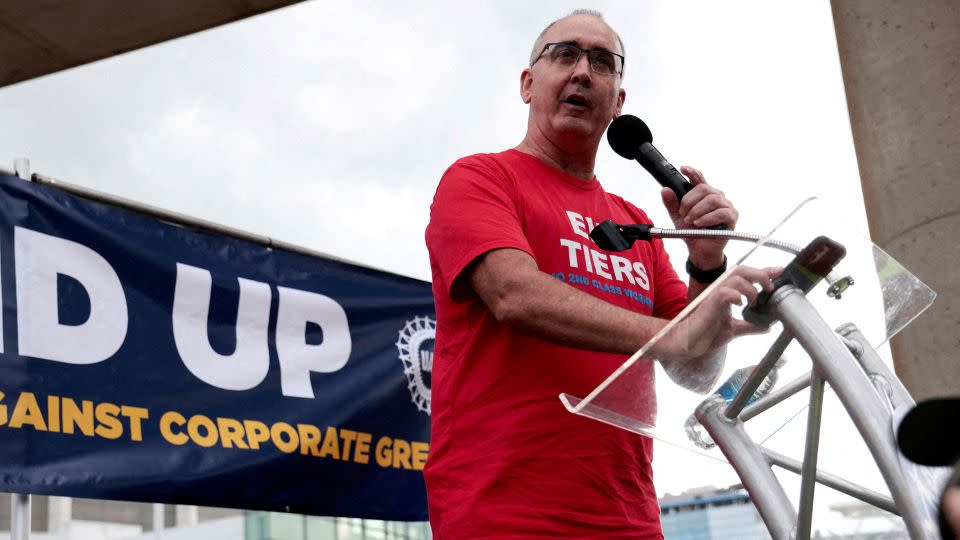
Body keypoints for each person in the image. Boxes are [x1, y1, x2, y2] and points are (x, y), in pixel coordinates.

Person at [423, 9, 776, 538]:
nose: (583, 71)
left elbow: (693, 369)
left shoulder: (637, 225)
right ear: (527, 83)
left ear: (619, 103)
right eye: (564, 55)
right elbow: (513, 295)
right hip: (503, 515)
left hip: (630, 517)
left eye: (603, 63)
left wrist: (706, 261)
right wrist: (675, 335)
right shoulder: (479, 178)